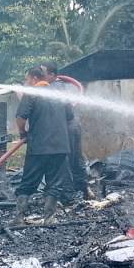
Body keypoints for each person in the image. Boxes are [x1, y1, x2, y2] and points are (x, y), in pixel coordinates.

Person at [15, 67, 72, 222]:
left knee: (28, 181)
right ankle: (49, 217)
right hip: (60, 146)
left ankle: (19, 217)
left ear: (34, 78)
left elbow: (20, 117)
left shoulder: (31, 93)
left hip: (38, 146)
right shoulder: (60, 93)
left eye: (27, 79)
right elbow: (69, 116)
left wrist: (22, 133)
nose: (26, 83)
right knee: (55, 183)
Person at [40, 61, 94, 201]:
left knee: (63, 162)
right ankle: (84, 188)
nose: (40, 75)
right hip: (73, 126)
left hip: (65, 128)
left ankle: (68, 196)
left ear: (52, 75)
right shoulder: (60, 86)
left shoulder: (51, 88)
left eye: (42, 72)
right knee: (77, 159)